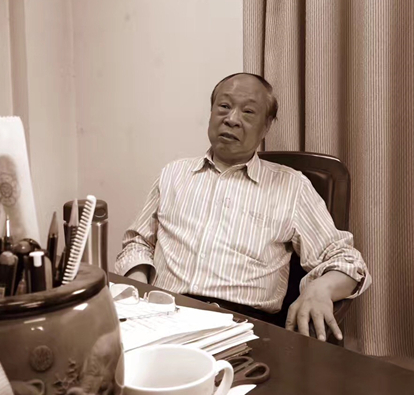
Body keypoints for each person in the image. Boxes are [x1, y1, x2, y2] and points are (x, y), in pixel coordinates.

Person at [115, 73, 371, 341]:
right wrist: (138, 292)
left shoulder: (292, 187)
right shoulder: (173, 174)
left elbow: (346, 259)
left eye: (248, 112)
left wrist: (321, 288)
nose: (232, 119)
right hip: (163, 316)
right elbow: (137, 242)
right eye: (224, 106)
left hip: (243, 327)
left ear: (266, 126)